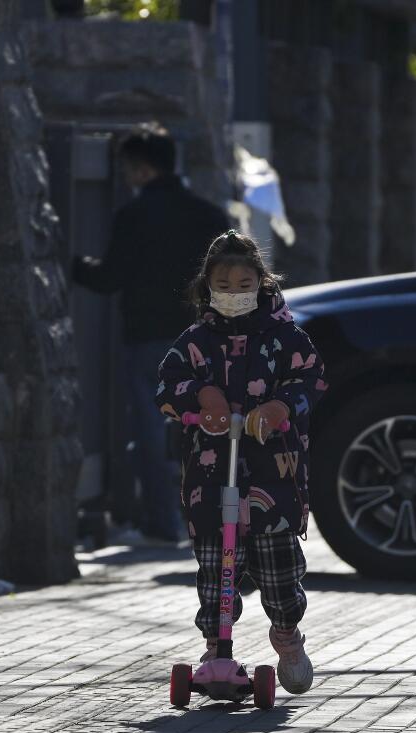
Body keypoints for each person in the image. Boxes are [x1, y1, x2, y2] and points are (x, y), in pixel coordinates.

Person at [154, 231, 327, 693]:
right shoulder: (195, 341)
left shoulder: (286, 338)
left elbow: (311, 377)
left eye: (244, 283)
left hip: (273, 476)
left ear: (262, 282)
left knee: (280, 572)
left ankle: (287, 634)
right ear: (207, 287)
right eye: (223, 285)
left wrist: (281, 407)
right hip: (210, 476)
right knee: (215, 569)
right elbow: (168, 387)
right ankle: (217, 645)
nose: (234, 293)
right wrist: (199, 396)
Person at [73, 123, 232, 542]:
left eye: (128, 170)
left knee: (149, 427)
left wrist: (74, 265)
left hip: (147, 337)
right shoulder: (210, 216)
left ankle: (162, 523)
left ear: (142, 170)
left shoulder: (134, 215)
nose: (126, 178)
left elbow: (109, 277)